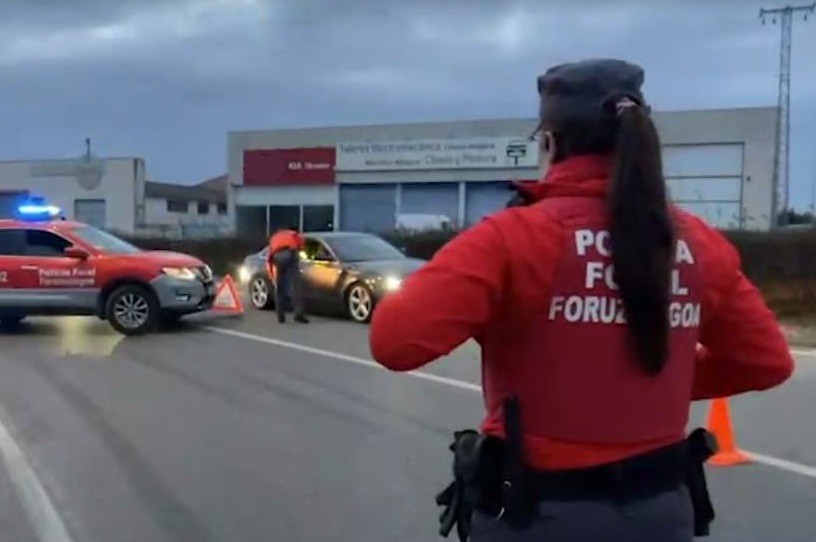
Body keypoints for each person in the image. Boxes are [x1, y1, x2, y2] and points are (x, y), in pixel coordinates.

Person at [369, 58, 794, 542]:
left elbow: (394, 341)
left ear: (550, 141)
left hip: (539, 517)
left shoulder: (514, 239)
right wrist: (648, 376)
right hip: (660, 515)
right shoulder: (697, 244)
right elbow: (767, 361)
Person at [267, 224, 309, 324]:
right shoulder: (293, 234)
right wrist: (301, 253)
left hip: (277, 257)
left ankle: (280, 316)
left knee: (280, 288)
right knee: (295, 286)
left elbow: (269, 258)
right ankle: (298, 315)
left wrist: (272, 276)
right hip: (290, 254)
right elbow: (301, 244)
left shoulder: (274, 238)